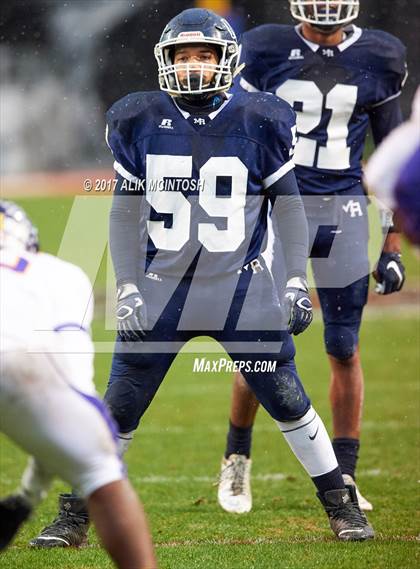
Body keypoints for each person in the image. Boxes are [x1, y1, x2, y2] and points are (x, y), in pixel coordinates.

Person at [30, 7, 373, 546]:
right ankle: (73, 517)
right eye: (183, 56)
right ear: (165, 62)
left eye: (204, 55)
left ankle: (342, 506)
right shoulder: (137, 118)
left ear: (227, 60)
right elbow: (122, 213)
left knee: (286, 395)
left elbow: (288, 208)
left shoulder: (260, 116)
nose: (192, 66)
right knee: (119, 405)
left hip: (241, 286)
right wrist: (126, 286)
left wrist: (290, 280)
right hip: (163, 286)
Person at [217, 0, 407, 515]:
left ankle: (344, 474)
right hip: (279, 206)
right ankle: (236, 458)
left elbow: (390, 154)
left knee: (343, 347)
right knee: (262, 340)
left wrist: (390, 240)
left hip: (344, 210)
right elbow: (238, 129)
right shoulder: (264, 48)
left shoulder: (381, 55)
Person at [0, 201, 156, 568]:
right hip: (25, 365)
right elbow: (67, 388)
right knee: (103, 475)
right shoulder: (60, 274)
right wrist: (27, 496)